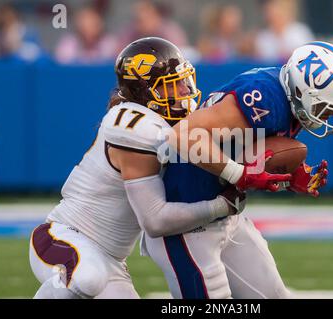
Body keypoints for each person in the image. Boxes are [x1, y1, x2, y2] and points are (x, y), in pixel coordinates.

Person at [29, 37, 285, 299]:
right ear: (146, 92)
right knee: (87, 278)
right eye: (174, 84)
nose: (186, 90)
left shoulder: (168, 122)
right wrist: (222, 205)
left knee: (93, 276)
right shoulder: (135, 128)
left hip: (111, 260)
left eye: (185, 80)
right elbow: (155, 220)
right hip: (63, 237)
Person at [143, 41, 333, 298]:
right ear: (302, 92)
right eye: (325, 108)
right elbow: (183, 135)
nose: (328, 117)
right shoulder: (266, 97)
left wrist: (290, 178)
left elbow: (245, 149)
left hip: (226, 214)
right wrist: (239, 175)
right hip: (186, 220)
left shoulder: (285, 96)